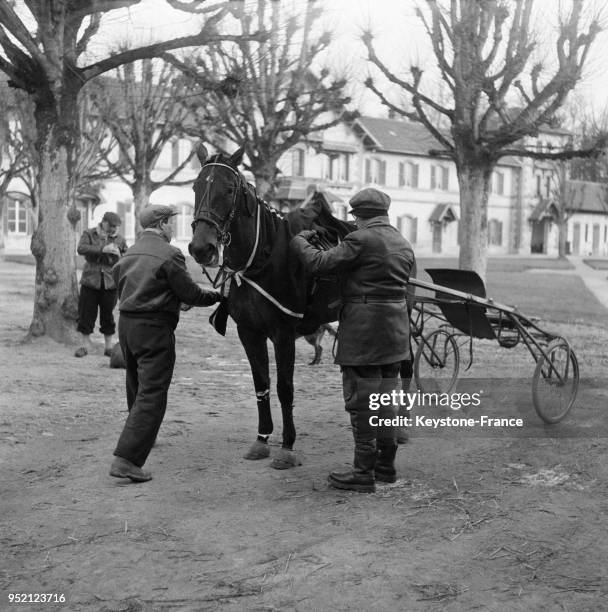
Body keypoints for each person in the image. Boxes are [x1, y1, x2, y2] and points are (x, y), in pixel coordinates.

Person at [291, 187, 415, 492]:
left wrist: (299, 241)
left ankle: (362, 473)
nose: (355, 222)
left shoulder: (360, 239)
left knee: (361, 402)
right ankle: (385, 468)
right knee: (386, 400)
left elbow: (320, 263)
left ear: (360, 216)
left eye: (356, 217)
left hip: (364, 332)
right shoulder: (402, 241)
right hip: (396, 332)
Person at [109, 204, 222, 482]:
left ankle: (143, 436)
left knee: (135, 382)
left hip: (127, 325)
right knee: (153, 391)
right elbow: (191, 292)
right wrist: (218, 296)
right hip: (154, 328)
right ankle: (127, 459)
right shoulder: (170, 254)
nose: (173, 227)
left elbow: (121, 283)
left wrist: (170, 298)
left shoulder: (130, 252)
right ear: (161, 224)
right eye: (171, 223)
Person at [75, 211, 127, 358]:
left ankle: (108, 347)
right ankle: (84, 345)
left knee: (108, 315)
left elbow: (128, 257)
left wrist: (119, 255)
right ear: (103, 222)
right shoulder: (89, 234)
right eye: (111, 225)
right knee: (86, 313)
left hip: (110, 283)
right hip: (90, 281)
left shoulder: (120, 239)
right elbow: (81, 249)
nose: (113, 229)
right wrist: (101, 249)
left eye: (115, 226)